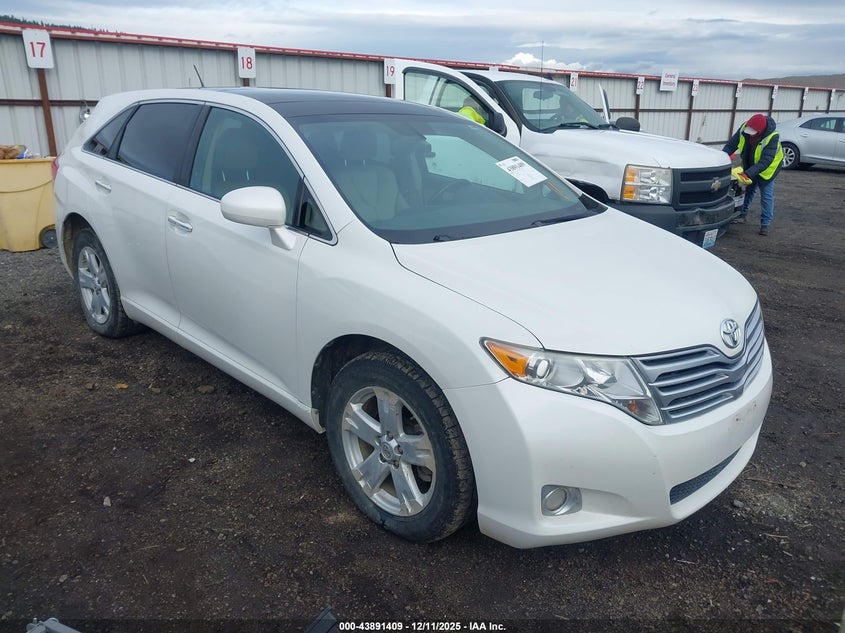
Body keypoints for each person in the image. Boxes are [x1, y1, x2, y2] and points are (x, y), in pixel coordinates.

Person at [723, 113, 784, 235]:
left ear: (760, 131)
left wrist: (748, 174)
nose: (749, 133)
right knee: (748, 191)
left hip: (768, 170)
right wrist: (722, 156)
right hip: (750, 165)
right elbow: (731, 145)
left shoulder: (772, 137)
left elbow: (765, 161)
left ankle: (765, 224)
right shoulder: (744, 129)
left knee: (766, 196)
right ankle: (742, 214)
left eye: (752, 132)